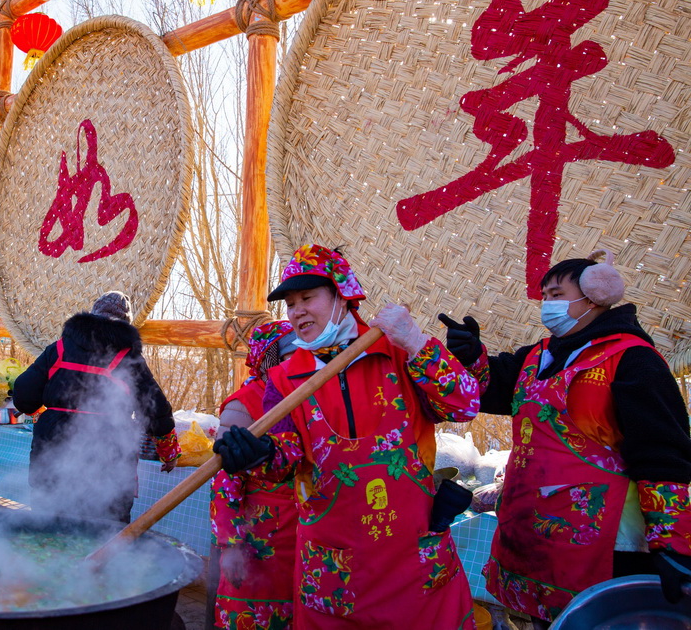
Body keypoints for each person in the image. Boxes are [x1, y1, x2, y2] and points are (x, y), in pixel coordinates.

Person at [215, 244, 480, 629]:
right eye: (290, 303)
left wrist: (419, 344)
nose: (297, 310)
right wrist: (257, 455)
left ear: (342, 295)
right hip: (333, 569)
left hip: (412, 555)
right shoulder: (284, 379)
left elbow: (464, 406)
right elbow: (287, 459)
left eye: (307, 297)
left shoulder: (397, 353)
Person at [439, 249, 691, 624]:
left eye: (557, 294)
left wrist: (673, 543)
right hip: (533, 534)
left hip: (606, 541)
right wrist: (473, 355)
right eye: (544, 296)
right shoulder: (538, 356)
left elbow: (663, 453)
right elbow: (490, 389)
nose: (547, 304)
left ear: (595, 296)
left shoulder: (632, 359)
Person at [13, 291, 181, 524]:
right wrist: (169, 452)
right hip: (110, 449)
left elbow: (24, 393)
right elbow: (154, 409)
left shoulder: (59, 349)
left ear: (92, 314)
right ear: (126, 322)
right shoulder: (128, 358)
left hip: (53, 444)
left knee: (48, 523)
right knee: (105, 528)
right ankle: (102, 560)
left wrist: (38, 412)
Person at [211, 320, 297, 629]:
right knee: (254, 608)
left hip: (303, 529)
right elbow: (224, 479)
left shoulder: (308, 396)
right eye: (292, 355)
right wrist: (231, 543)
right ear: (270, 358)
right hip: (259, 532)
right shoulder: (243, 404)